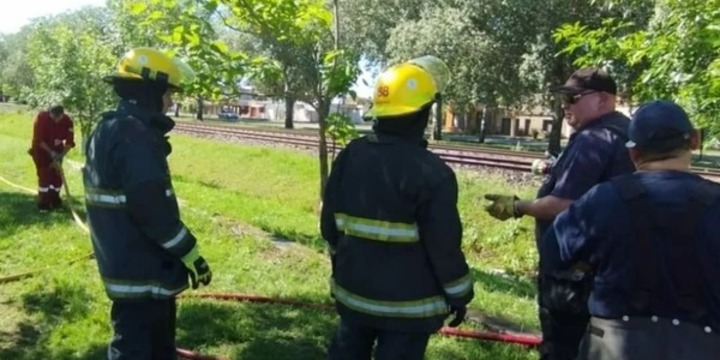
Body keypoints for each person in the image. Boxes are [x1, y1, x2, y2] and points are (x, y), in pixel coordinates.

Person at [321, 56, 474, 360]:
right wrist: (460, 295)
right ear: (423, 114)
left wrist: (344, 270)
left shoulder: (350, 156)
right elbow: (443, 247)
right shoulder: (434, 173)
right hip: (408, 312)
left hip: (354, 298)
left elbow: (329, 227)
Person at [483, 68, 636, 360]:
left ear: (602, 100)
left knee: (562, 348)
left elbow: (564, 203)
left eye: (572, 97)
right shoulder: (627, 134)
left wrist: (517, 206)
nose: (564, 105)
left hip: (575, 277)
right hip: (611, 271)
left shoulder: (595, 138)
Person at [552, 100, 720, 360]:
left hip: (613, 345)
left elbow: (556, 251)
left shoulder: (602, 199)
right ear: (695, 140)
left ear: (633, 153)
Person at [82, 47, 212, 360]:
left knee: (154, 346)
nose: (170, 102)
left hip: (127, 262)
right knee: (137, 349)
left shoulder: (109, 128)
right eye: (167, 94)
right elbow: (153, 211)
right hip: (141, 270)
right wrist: (190, 253)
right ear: (148, 93)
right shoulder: (135, 136)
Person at [28, 105, 75, 211]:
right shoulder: (41, 118)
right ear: (50, 113)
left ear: (62, 115)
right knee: (45, 175)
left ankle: (55, 200)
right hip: (41, 151)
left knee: (57, 177)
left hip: (58, 151)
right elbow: (39, 140)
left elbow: (69, 142)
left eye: (57, 118)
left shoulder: (67, 121)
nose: (55, 120)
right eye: (53, 117)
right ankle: (43, 204)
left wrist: (60, 156)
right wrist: (51, 152)